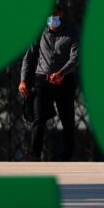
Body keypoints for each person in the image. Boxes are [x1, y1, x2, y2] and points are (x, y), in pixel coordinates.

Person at [19, 11, 79, 161]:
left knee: (67, 120)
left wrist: (61, 72)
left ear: (61, 16)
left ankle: (66, 157)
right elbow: (28, 58)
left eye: (55, 16)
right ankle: (34, 154)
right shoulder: (39, 34)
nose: (52, 20)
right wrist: (23, 80)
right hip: (43, 80)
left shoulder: (71, 33)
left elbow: (75, 58)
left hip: (64, 81)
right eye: (49, 17)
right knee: (38, 117)